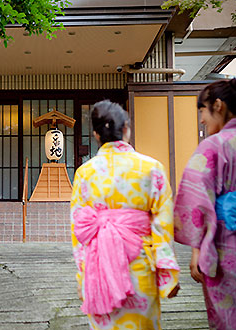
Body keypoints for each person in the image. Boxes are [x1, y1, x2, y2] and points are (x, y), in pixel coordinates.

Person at [70, 100, 180, 330]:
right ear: (126, 129)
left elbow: (79, 232)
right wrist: (166, 269)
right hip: (140, 265)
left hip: (98, 267)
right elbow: (162, 225)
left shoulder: (85, 173)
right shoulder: (152, 168)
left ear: (96, 135)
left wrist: (83, 277)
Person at [174, 74, 236, 330]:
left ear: (217, 106)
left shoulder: (213, 146)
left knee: (230, 318)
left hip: (227, 245)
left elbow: (196, 201)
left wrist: (196, 248)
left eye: (202, 110)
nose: (201, 119)